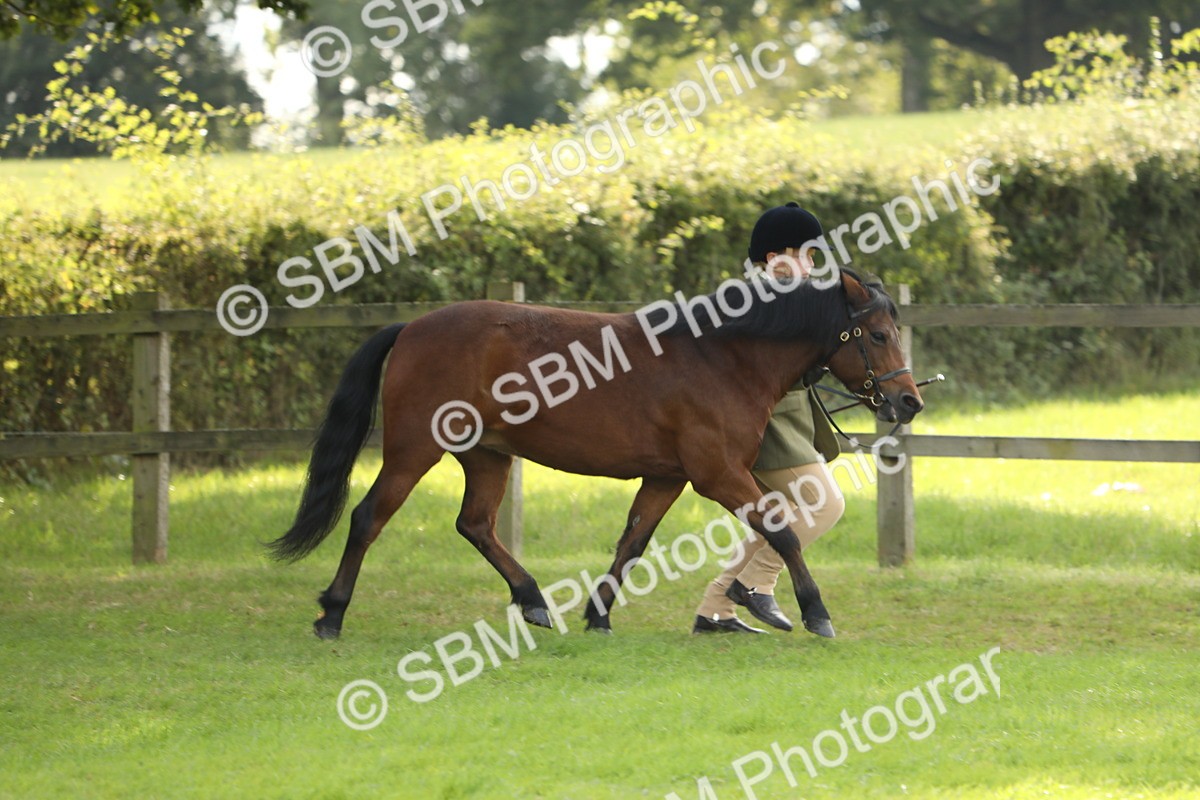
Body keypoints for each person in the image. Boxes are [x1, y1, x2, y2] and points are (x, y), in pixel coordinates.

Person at [693, 202, 847, 634]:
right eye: (807, 256)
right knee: (826, 504)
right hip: (773, 431)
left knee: (773, 520)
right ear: (776, 257)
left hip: (788, 426)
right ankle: (755, 584)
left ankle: (714, 611)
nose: (812, 266)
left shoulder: (785, 301)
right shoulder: (759, 303)